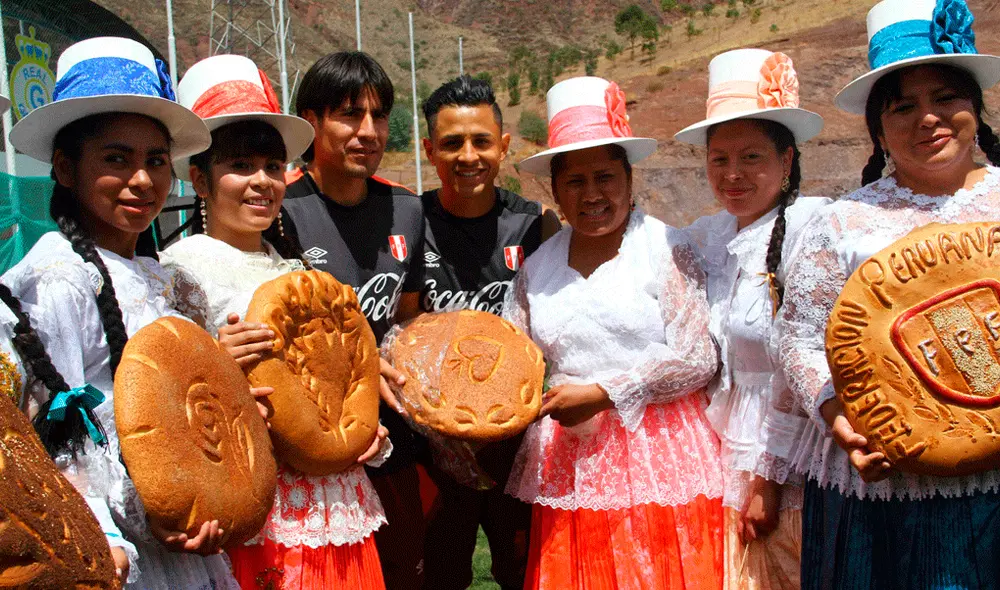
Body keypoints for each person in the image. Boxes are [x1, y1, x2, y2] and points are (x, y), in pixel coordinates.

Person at [0, 37, 246, 589]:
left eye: (156, 161)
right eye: (117, 159)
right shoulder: (56, 278)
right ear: (65, 168)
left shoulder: (173, 282)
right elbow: (54, 434)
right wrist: (105, 536)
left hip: (185, 540)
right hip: (111, 548)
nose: (143, 180)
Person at [777, 1, 1000, 587]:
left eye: (945, 97)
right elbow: (798, 335)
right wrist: (836, 414)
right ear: (878, 129)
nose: (928, 118)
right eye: (904, 106)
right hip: (883, 496)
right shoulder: (843, 222)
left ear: (976, 109)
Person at [160, 54, 391, 590]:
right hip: (260, 508)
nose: (262, 181)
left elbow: (332, 385)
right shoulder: (177, 272)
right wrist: (214, 364)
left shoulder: (295, 269)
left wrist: (359, 428)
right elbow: (169, 396)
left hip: (334, 500)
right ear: (199, 178)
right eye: (240, 166)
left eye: (271, 167)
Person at [506, 76, 725, 589]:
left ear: (628, 178)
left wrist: (606, 393)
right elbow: (516, 360)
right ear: (554, 189)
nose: (592, 194)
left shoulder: (666, 248)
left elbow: (698, 357)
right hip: (569, 465)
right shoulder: (538, 268)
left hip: (660, 458)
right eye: (575, 181)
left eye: (604, 176)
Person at [677, 49, 830, 589]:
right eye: (719, 159)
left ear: (786, 160)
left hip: (791, 458)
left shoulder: (814, 231)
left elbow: (799, 358)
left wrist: (769, 478)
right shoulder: (707, 236)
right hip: (726, 454)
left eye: (751, 158)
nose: (733, 174)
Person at [404, 75, 560, 590]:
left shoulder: (536, 225)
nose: (467, 155)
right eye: (451, 143)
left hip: (515, 441)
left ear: (504, 145)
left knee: (522, 569)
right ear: (429, 149)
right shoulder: (411, 223)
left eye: (481, 141)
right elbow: (400, 328)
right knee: (439, 572)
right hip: (432, 447)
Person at [280, 50, 426, 589]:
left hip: (390, 441)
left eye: (379, 115)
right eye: (348, 114)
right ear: (311, 122)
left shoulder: (407, 209)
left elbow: (405, 320)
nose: (368, 130)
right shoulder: (281, 209)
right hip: (312, 444)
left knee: (404, 572)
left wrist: (389, 366)